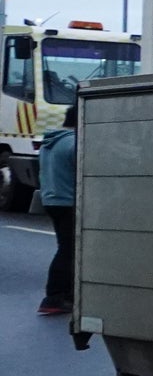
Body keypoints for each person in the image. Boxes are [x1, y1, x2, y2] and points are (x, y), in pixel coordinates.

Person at [35, 103, 76, 316]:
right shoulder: (75, 143)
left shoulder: (50, 142)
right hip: (70, 202)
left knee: (66, 247)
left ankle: (65, 294)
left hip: (52, 200)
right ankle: (55, 296)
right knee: (69, 250)